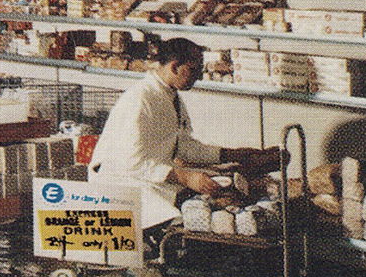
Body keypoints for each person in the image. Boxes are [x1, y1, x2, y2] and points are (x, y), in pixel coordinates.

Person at [89, 36, 282, 247]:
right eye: (194, 69)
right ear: (174, 67)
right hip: (123, 182)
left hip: (150, 177)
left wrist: (230, 154)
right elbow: (130, 163)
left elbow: (182, 144)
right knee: (193, 211)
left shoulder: (169, 95)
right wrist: (185, 177)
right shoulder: (140, 100)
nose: (198, 76)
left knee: (219, 190)